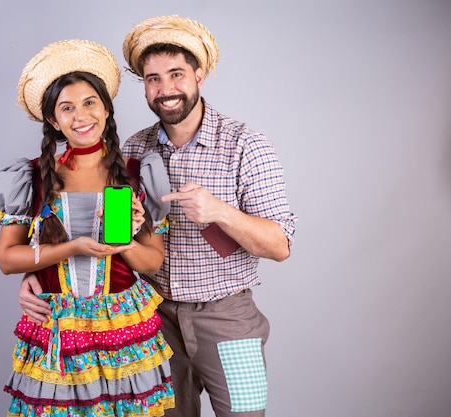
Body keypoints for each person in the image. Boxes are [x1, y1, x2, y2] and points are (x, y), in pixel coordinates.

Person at [20, 16, 297, 417]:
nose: (165, 89)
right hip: (152, 320)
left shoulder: (246, 145)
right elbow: (107, 241)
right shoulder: (135, 151)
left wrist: (219, 211)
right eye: (153, 79)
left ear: (199, 76)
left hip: (227, 319)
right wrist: (38, 274)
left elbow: (281, 246)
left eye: (176, 74)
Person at [0, 39, 175, 417]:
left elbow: (153, 263)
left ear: (106, 108)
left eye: (90, 102)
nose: (81, 116)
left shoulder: (140, 171)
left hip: (122, 322)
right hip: (57, 322)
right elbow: (8, 259)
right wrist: (72, 248)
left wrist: (121, 241)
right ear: (54, 121)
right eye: (67, 108)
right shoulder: (33, 177)